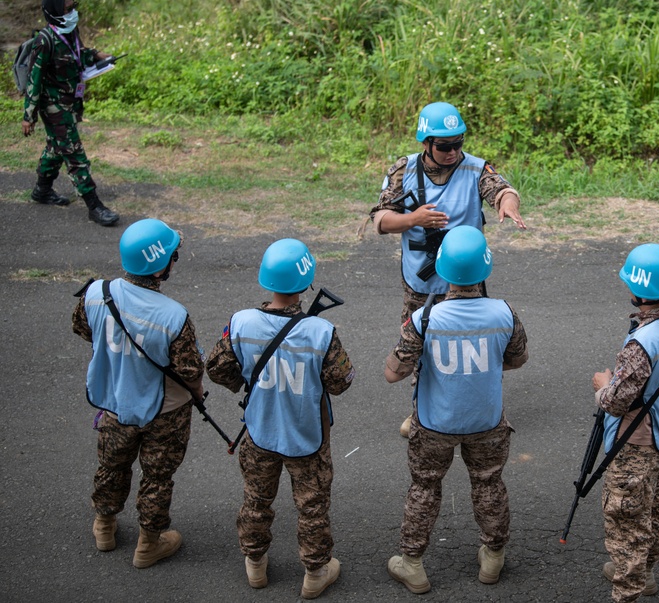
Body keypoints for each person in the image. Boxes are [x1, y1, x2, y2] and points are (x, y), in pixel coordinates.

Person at [206, 239, 355, 599]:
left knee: (256, 499)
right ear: (306, 284)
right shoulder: (321, 332)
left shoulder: (241, 322)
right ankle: (316, 574)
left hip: (259, 432)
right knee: (312, 507)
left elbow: (215, 367)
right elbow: (341, 382)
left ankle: (255, 565)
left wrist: (246, 381)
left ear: (266, 280)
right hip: (307, 437)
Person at [383, 226, 527, 594]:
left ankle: (412, 563)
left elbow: (392, 374)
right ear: (485, 269)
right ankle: (493, 556)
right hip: (487, 421)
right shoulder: (504, 312)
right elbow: (517, 359)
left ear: (442, 270)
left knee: (425, 488)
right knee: (489, 483)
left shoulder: (424, 320)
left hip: (434, 424)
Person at [369, 102, 526, 437]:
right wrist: (414, 219)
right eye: (444, 146)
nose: (454, 151)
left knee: (473, 346)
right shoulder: (404, 169)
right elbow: (381, 221)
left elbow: (500, 189)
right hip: (420, 283)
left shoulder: (474, 168)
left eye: (459, 143)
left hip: (466, 282)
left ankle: (481, 413)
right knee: (420, 348)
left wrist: (508, 204)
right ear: (426, 143)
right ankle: (422, 414)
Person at [72, 218, 201, 567]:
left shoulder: (96, 292)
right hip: (165, 411)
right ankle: (149, 543)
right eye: (174, 256)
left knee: (111, 466)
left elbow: (83, 329)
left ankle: (104, 525)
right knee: (157, 477)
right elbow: (189, 371)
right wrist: (199, 393)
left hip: (113, 403)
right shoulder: (174, 316)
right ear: (161, 267)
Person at [593, 243, 659, 603]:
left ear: (638, 291)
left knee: (626, 523)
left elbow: (616, 402)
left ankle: (628, 588)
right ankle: (644, 575)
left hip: (636, 444)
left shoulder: (642, 343)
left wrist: (603, 386)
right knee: (653, 510)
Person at [22, 0, 119, 226]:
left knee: (57, 147)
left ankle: (42, 191)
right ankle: (94, 205)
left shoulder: (70, 32)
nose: (73, 12)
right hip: (53, 105)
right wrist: (29, 115)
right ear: (54, 12)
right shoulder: (43, 41)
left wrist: (97, 56)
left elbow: (78, 55)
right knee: (74, 153)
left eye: (74, 6)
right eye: (68, 9)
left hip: (70, 101)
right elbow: (34, 80)